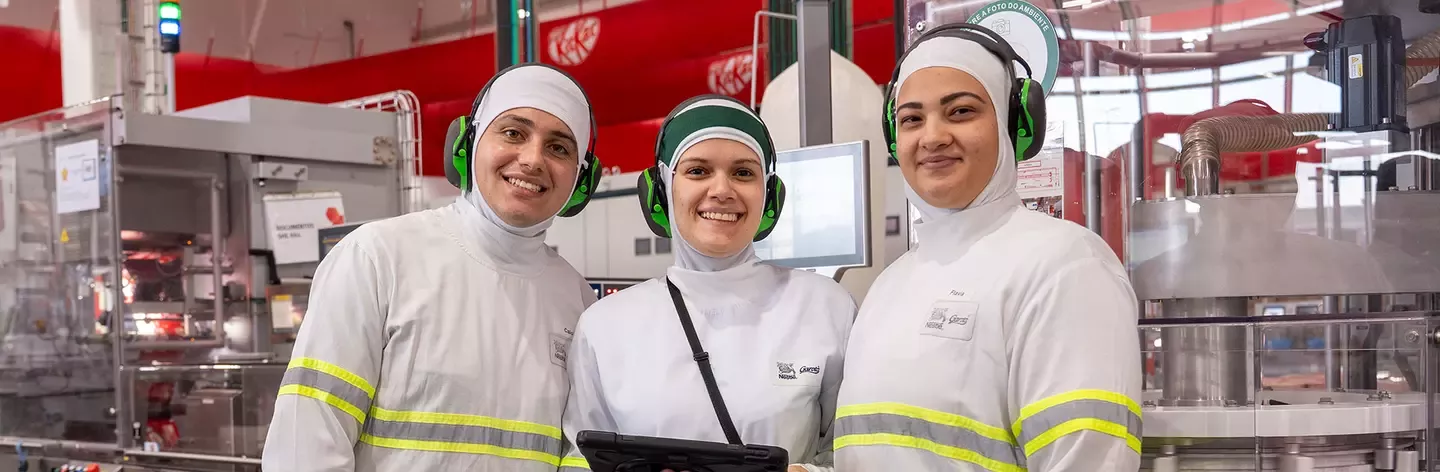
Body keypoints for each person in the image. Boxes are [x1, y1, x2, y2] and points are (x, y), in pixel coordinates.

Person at [262, 63, 603, 471]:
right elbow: (308, 440)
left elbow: (579, 453)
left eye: (559, 147)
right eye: (513, 132)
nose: (532, 160)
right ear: (468, 143)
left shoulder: (577, 300)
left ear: (582, 180)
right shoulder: (378, 258)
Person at [833, 24, 1143, 471]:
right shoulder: (890, 285)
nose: (933, 136)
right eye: (912, 119)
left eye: (960, 111)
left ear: (1013, 124)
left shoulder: (1065, 266)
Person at [557, 95, 856, 472]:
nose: (722, 190)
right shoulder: (605, 325)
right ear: (661, 191)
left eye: (743, 172)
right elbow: (579, 461)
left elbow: (856, 450)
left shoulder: (825, 307)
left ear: (770, 196)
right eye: (698, 171)